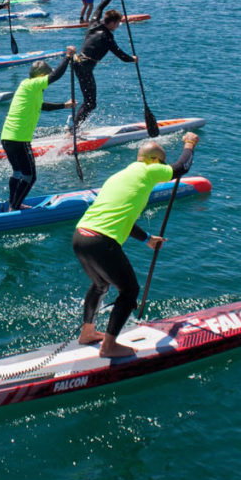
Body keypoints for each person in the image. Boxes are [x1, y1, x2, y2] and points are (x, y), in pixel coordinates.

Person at [74, 133, 200, 357]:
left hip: (81, 236)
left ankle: (88, 333)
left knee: (100, 285)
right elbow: (182, 168)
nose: (162, 170)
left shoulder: (120, 176)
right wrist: (189, 144)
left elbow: (123, 219)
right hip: (101, 240)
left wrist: (148, 239)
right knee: (129, 290)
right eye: (162, 164)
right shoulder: (149, 170)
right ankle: (109, 346)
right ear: (154, 161)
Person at [0, 48, 77, 210]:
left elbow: (43, 106)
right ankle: (14, 208)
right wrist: (68, 58)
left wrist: (64, 105)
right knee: (30, 176)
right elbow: (55, 76)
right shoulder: (34, 84)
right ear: (41, 76)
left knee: (18, 173)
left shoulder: (28, 87)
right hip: (20, 138)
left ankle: (12, 202)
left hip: (7, 137)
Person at [72, 0, 134, 128]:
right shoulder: (107, 37)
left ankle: (74, 128)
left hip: (77, 62)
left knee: (88, 101)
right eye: (118, 23)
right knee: (90, 103)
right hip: (85, 67)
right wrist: (133, 59)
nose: (118, 26)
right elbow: (121, 55)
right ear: (112, 23)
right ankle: (73, 130)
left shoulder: (94, 22)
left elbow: (100, 6)